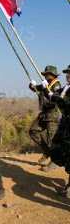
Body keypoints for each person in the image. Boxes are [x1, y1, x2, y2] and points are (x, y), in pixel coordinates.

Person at [44, 65, 70, 198]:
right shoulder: (66, 87)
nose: (67, 75)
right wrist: (40, 87)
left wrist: (53, 97)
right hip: (65, 125)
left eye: (69, 73)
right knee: (55, 149)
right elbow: (56, 94)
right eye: (67, 73)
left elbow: (65, 104)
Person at [29, 65, 61, 172]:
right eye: (46, 74)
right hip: (44, 115)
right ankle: (46, 151)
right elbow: (35, 89)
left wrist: (47, 90)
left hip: (53, 116)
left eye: (48, 74)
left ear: (52, 75)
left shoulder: (56, 85)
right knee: (33, 131)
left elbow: (54, 101)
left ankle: (54, 161)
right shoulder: (45, 84)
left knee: (52, 140)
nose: (46, 75)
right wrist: (32, 85)